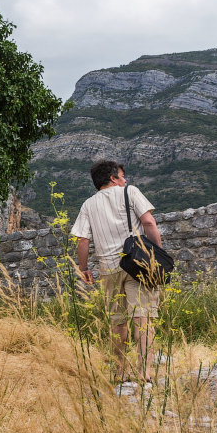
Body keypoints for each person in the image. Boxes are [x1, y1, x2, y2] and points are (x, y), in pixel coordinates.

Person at [70, 160, 163, 384]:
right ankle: (144, 373)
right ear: (113, 178)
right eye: (122, 176)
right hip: (138, 263)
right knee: (143, 316)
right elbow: (148, 222)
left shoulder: (88, 205)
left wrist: (84, 269)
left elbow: (83, 240)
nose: (125, 180)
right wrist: (158, 254)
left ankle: (119, 372)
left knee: (118, 320)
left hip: (108, 268)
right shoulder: (130, 192)